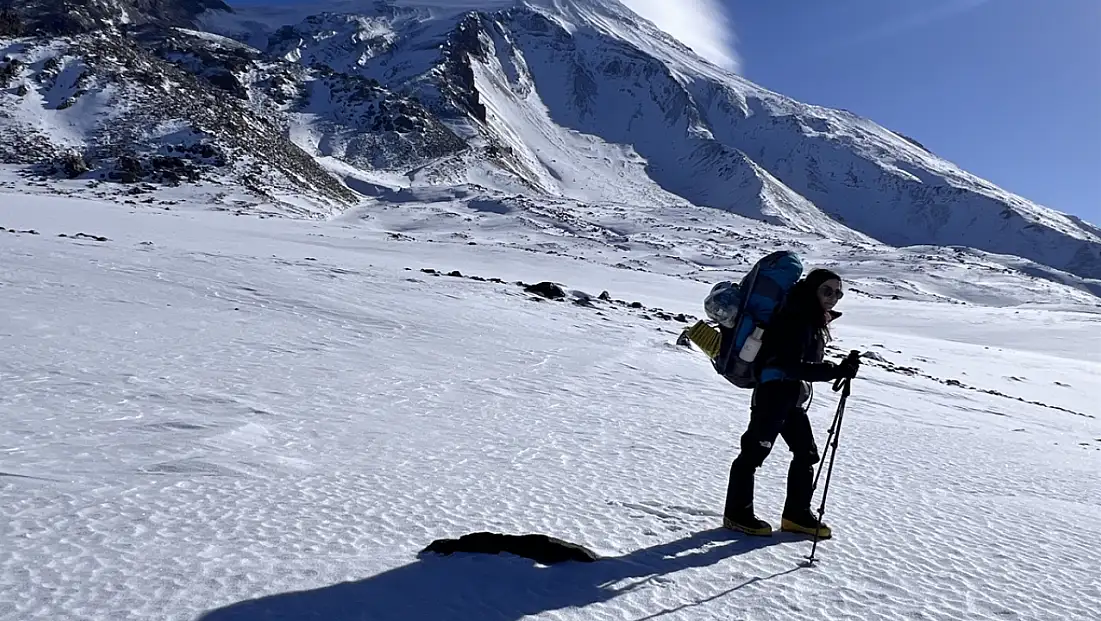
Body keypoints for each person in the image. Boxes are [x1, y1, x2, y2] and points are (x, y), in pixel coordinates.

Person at [722, 268, 860, 538]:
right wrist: (835, 370)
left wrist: (837, 369)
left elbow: (802, 366)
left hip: (791, 396)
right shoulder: (794, 318)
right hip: (774, 393)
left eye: (838, 293)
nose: (833, 297)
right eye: (827, 290)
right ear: (812, 289)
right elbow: (791, 365)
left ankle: (796, 516)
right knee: (754, 452)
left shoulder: (809, 318)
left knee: (806, 453)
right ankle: (736, 514)